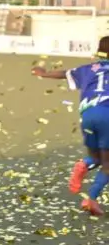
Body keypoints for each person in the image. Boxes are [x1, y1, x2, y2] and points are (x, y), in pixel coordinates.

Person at [32, 37, 109, 216]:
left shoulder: (87, 68)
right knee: (107, 164)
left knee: (97, 157)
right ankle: (91, 199)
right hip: (107, 113)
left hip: (88, 114)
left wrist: (43, 73)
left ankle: (85, 164)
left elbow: (64, 73)